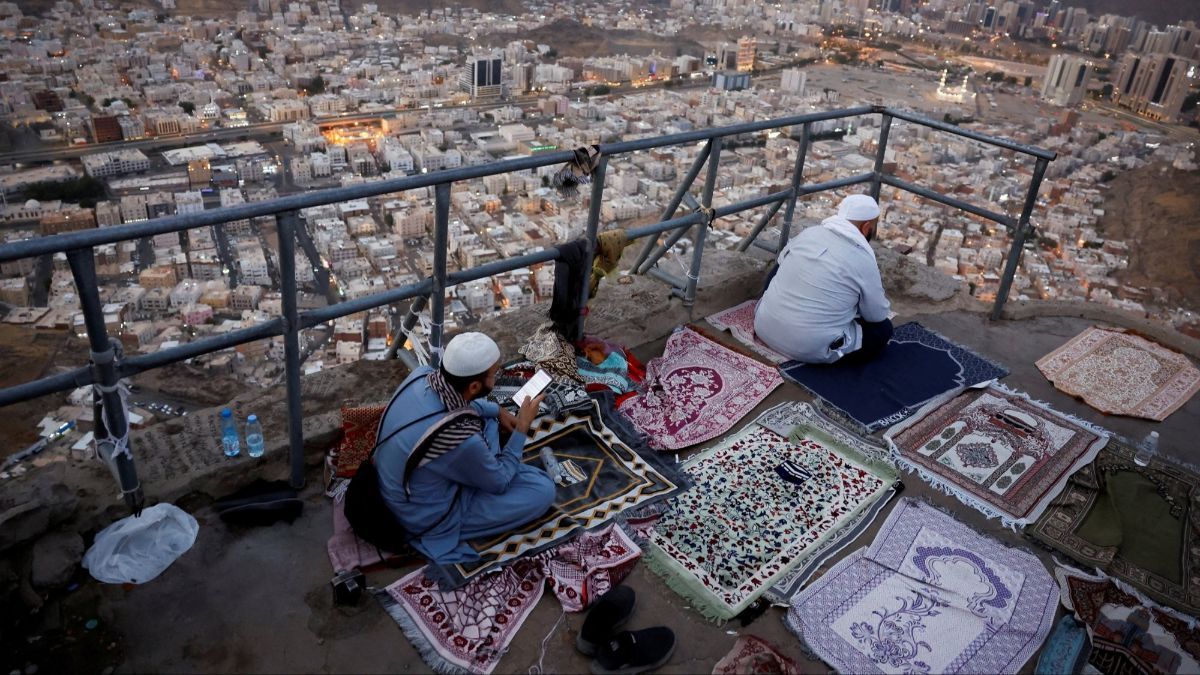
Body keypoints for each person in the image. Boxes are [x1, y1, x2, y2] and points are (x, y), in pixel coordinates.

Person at [373, 332, 556, 564]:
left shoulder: (422, 375)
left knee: (488, 419)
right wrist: (522, 427)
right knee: (542, 490)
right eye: (494, 375)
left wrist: (497, 410)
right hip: (420, 514)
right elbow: (499, 483)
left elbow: (461, 406)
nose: (497, 378)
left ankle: (484, 463)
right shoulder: (461, 438)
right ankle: (482, 473)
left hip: (397, 482)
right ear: (474, 385)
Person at [754, 194, 893, 365]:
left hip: (763, 326)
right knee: (883, 329)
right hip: (810, 348)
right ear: (866, 227)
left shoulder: (809, 233)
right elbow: (876, 315)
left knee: (782, 265)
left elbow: (779, 267)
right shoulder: (863, 259)